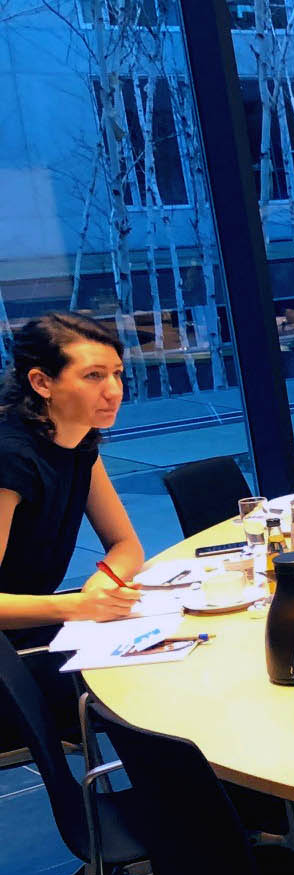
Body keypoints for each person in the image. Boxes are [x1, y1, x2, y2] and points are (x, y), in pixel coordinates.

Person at [0, 312, 143, 745]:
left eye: (117, 373)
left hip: (35, 632)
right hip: (11, 662)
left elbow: (125, 545)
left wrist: (105, 584)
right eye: (94, 376)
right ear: (42, 383)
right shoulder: (11, 458)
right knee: (149, 683)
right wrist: (79, 606)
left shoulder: (79, 440)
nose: (113, 391)